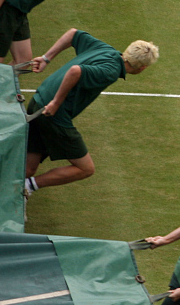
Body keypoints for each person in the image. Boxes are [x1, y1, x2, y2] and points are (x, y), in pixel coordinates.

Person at [23, 29, 158, 192]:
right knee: (85, 168)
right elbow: (75, 71)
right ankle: (26, 188)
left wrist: (46, 58)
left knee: (28, 168)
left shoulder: (105, 49)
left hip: (38, 100)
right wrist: (56, 103)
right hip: (53, 115)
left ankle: (10, 189)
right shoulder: (110, 72)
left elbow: (73, 33)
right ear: (142, 68)